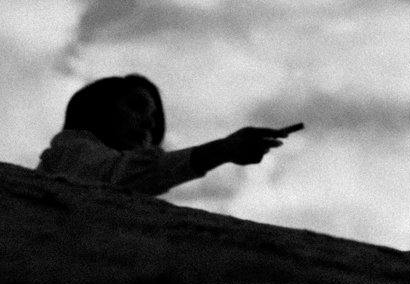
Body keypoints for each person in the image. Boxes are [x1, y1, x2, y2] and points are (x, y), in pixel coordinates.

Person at [40, 74, 300, 195]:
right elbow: (116, 175)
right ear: (98, 109)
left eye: (155, 120)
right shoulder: (70, 151)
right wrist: (223, 150)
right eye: (137, 106)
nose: (149, 125)